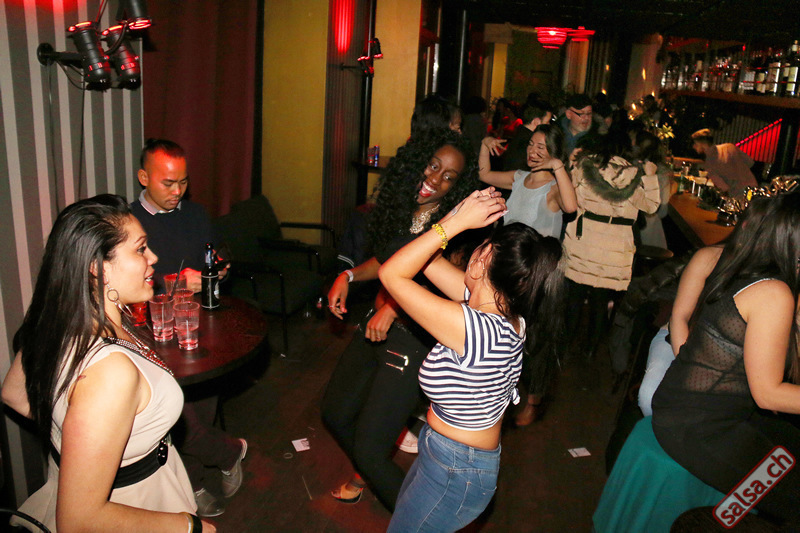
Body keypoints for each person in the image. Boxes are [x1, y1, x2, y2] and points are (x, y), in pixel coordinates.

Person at [1, 195, 216, 532]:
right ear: (98, 267)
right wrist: (192, 527)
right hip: (133, 503)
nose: (153, 257)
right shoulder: (110, 372)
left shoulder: (58, 321)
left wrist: (78, 440)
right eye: (140, 249)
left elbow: (13, 394)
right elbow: (79, 520)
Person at [378, 189, 565, 532]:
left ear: (481, 263)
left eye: (479, 247)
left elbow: (391, 275)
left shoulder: (476, 329)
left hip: (454, 468)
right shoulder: (505, 314)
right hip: (449, 457)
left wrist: (456, 224)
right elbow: (423, 258)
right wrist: (455, 216)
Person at [322, 130, 479, 511]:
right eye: (433, 166)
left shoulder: (453, 226)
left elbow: (454, 290)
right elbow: (388, 261)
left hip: (413, 339)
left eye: (449, 177)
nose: (436, 179)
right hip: (377, 323)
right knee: (335, 414)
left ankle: (417, 518)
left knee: (371, 450)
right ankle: (369, 473)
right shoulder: (404, 208)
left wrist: (393, 307)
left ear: (457, 187)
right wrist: (348, 276)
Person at [652, 192, 800, 527]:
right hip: (697, 425)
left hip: (710, 409)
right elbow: (769, 394)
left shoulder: (751, 269)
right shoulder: (773, 292)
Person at [131, 139, 246, 517]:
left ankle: (192, 480)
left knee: (201, 411)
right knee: (179, 420)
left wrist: (218, 268)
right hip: (153, 333)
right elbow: (124, 288)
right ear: (144, 177)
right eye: (168, 183)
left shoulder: (195, 213)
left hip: (200, 327)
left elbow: (214, 254)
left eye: (183, 182)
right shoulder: (127, 222)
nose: (177, 191)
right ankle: (227, 455)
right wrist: (177, 282)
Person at [561, 129, 661, 360]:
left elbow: (567, 194)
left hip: (583, 242)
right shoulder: (634, 174)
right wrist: (651, 176)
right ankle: (590, 351)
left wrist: (570, 163)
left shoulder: (584, 166)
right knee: (600, 302)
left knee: (574, 298)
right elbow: (651, 206)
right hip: (615, 248)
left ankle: (563, 349)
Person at [691, 128, 757, 197]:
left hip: (738, 195)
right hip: (753, 189)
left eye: (695, 144)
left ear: (703, 144)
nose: (694, 147)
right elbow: (750, 162)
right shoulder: (729, 147)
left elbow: (724, 189)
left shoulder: (709, 164)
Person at [502, 96, 554, 172]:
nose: (549, 125)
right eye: (547, 122)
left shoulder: (519, 136)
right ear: (537, 122)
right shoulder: (529, 145)